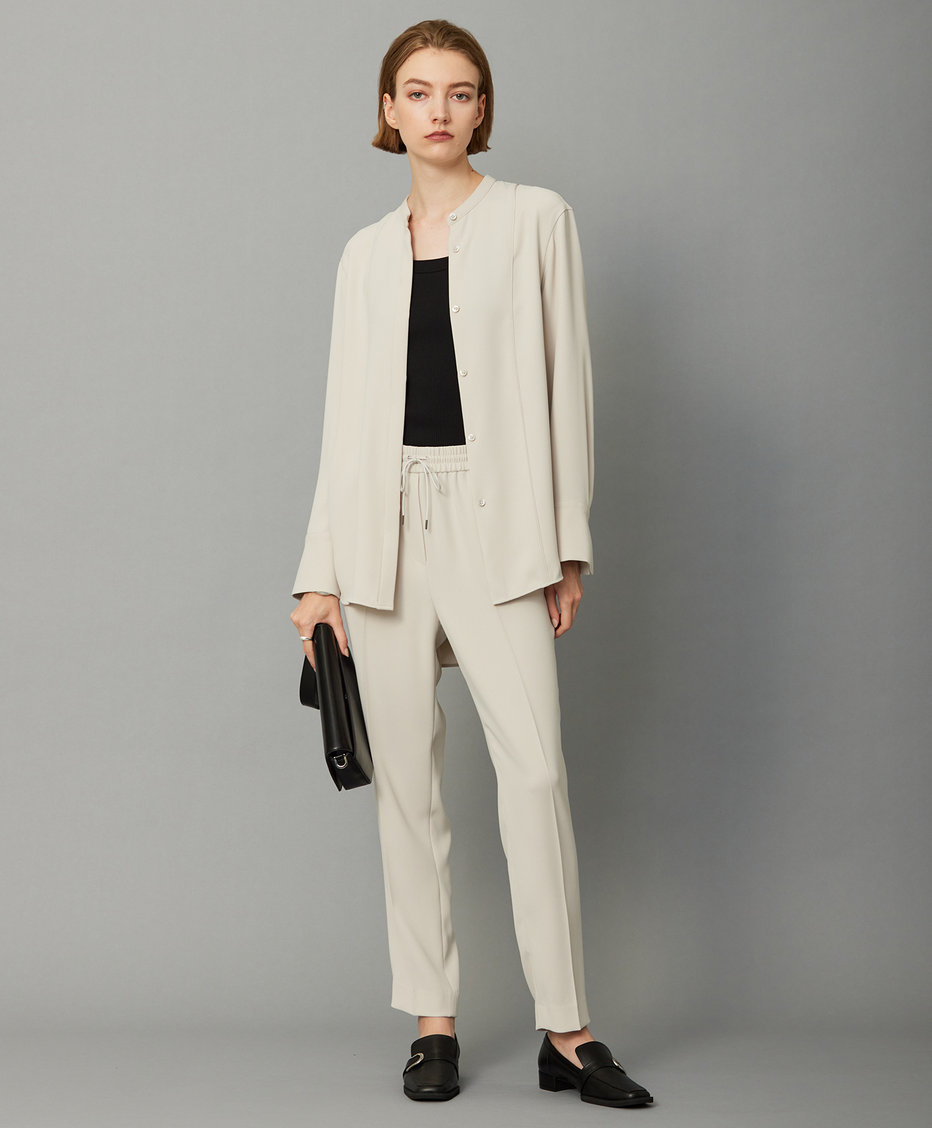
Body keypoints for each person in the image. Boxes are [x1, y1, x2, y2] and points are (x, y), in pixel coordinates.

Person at [290, 18, 652, 1109]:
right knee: (407, 787)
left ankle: (567, 1031)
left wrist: (566, 543)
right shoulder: (362, 254)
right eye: (417, 91)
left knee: (534, 774)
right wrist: (317, 573)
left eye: (459, 91)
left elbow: (566, 384)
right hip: (381, 528)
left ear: (482, 108)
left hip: (499, 525)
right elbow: (343, 423)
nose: (438, 110)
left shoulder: (537, 220)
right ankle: (432, 1024)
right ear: (389, 110)